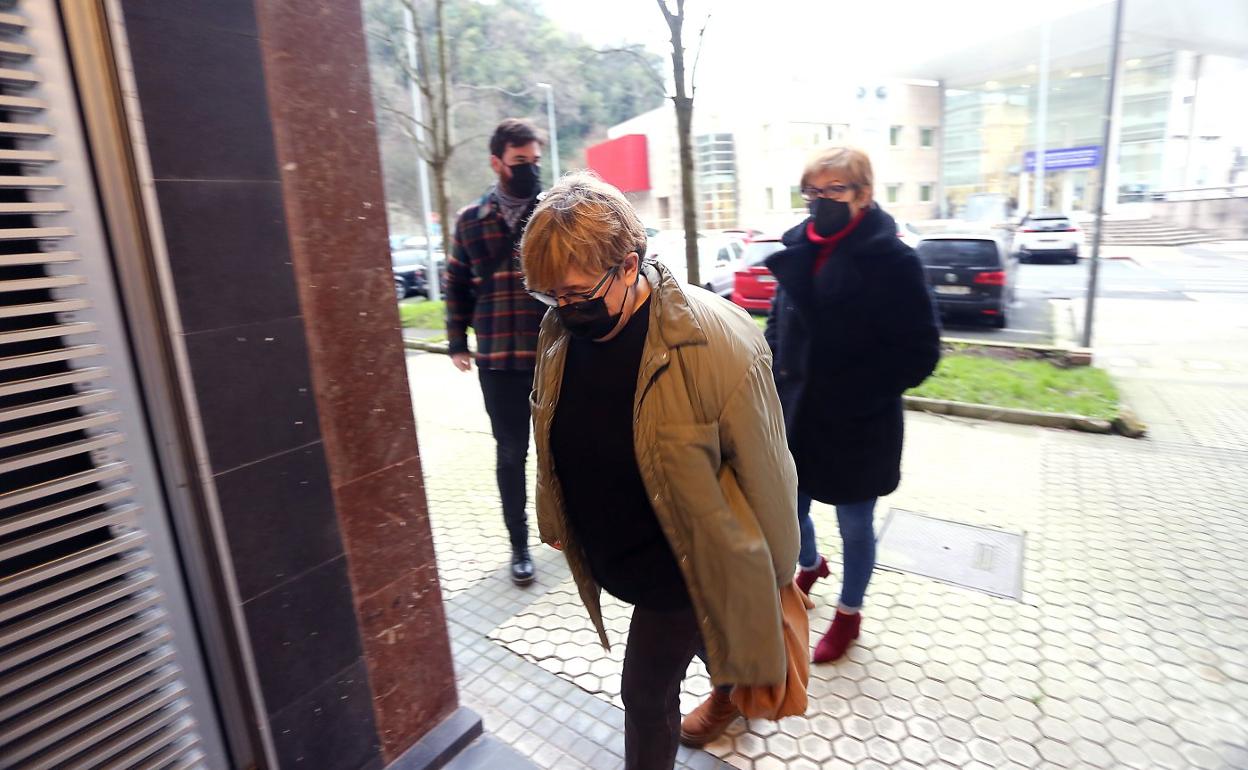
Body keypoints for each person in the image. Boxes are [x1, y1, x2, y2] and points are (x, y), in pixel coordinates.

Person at [521, 172, 800, 769]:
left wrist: (771, 585)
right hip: (619, 544)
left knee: (645, 692)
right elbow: (548, 428)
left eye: (574, 293)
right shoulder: (559, 332)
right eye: (549, 296)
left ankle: (733, 680)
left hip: (688, 556)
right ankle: (733, 684)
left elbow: (769, 475)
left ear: (628, 265)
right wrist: (552, 510)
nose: (564, 309)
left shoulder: (719, 344)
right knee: (702, 638)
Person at [764, 146, 941, 664]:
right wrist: (776, 377)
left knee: (856, 525)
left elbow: (920, 351)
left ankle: (848, 614)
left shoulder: (894, 261)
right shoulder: (798, 248)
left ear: (863, 195)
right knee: (790, 514)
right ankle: (811, 564)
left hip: (858, 422)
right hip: (796, 414)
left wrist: (858, 392)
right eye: (812, 193)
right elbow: (779, 325)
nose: (819, 203)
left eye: (833, 191)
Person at [445, 118, 548, 586]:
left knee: (564, 452)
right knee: (511, 454)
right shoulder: (471, 221)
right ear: (497, 162)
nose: (528, 169)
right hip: (499, 361)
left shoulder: (552, 215)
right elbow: (456, 286)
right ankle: (519, 546)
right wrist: (455, 342)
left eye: (534, 161)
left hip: (555, 356)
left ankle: (572, 533)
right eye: (519, 161)